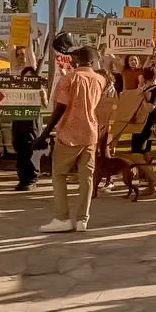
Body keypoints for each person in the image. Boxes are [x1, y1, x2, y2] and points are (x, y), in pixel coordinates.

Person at [34, 46, 107, 233]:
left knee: (59, 175)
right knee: (87, 178)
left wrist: (43, 135)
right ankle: (83, 219)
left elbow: (60, 108)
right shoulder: (101, 80)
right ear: (92, 61)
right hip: (90, 132)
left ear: (77, 60)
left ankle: (62, 218)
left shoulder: (69, 79)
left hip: (69, 133)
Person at [11, 67, 48, 191]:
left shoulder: (40, 89)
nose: (28, 79)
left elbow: (46, 105)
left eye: (30, 77)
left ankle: (32, 179)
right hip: (18, 123)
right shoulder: (17, 90)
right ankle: (22, 180)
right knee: (20, 151)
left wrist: (42, 96)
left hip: (32, 124)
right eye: (25, 77)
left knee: (30, 151)